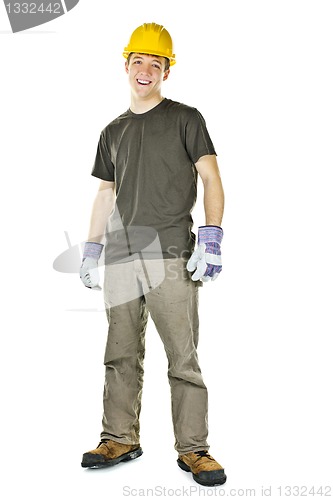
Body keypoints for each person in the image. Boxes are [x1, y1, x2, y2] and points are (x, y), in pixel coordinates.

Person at [79, 22, 226, 487]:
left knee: (182, 358)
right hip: (121, 259)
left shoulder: (186, 118)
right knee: (119, 355)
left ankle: (194, 450)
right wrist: (91, 248)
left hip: (169, 253)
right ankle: (120, 437)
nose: (146, 70)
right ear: (126, 65)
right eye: (138, 61)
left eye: (156, 63)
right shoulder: (112, 131)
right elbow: (105, 193)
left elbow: (211, 179)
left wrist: (212, 236)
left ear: (167, 70)